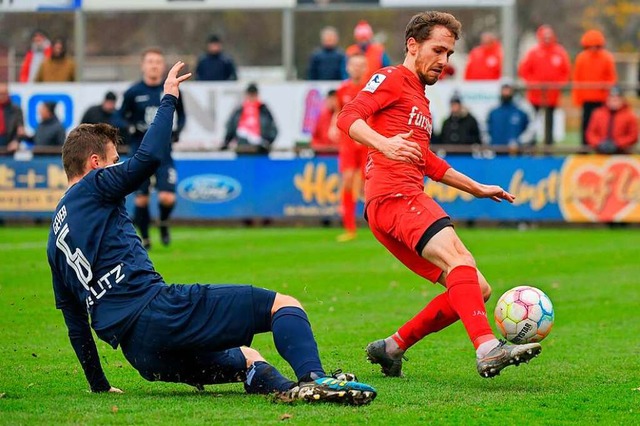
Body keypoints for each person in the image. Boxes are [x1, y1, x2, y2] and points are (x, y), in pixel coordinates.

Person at [46, 61, 376, 405]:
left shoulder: (55, 239)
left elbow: (76, 322)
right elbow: (149, 158)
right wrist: (169, 99)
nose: (118, 167)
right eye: (114, 160)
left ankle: (288, 390)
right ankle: (314, 379)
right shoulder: (96, 184)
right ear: (95, 163)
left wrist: (99, 384)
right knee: (283, 305)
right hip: (161, 314)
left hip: (142, 356)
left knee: (248, 357)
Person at [337, 11, 542, 379]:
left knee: (477, 288)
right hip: (394, 195)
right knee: (460, 258)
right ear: (412, 45)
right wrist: (385, 144)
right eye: (438, 50)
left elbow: (426, 158)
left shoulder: (419, 96)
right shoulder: (390, 78)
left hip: (390, 206)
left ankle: (392, 346)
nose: (444, 62)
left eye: (449, 53)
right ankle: (487, 347)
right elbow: (348, 117)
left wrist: (475, 187)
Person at [120, 48, 186, 249]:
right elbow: (119, 116)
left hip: (164, 153)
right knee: (141, 198)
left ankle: (164, 223)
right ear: (143, 65)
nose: (154, 65)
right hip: (139, 151)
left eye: (158, 61)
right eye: (150, 61)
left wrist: (177, 131)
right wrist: (129, 126)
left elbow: (182, 116)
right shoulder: (133, 92)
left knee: (167, 197)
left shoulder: (170, 90)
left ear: (163, 66)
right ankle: (146, 238)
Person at [518, 25, 571, 145]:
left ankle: (548, 146)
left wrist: (558, 85)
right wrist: (533, 84)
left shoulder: (560, 52)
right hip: (535, 95)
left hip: (552, 95)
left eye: (549, 36)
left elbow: (566, 72)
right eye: (545, 36)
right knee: (533, 121)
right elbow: (524, 71)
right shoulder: (534, 52)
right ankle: (531, 145)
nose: (547, 39)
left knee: (549, 122)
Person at [335, 53, 369, 242]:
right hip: (348, 142)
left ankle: (378, 224)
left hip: (366, 142)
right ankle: (349, 228)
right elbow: (339, 113)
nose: (357, 68)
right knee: (347, 179)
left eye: (360, 65)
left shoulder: (370, 89)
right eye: (353, 65)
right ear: (348, 67)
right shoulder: (342, 90)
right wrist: (334, 125)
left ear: (365, 68)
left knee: (368, 183)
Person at [571, 29, 617, 146]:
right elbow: (577, 79)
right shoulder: (581, 58)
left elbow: (611, 77)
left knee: (603, 124)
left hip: (602, 99)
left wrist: (608, 94)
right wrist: (577, 98)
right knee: (586, 124)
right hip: (587, 99)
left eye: (596, 46)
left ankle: (602, 146)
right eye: (590, 46)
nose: (593, 49)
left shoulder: (606, 58)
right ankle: (584, 147)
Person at [222, 83, 277, 154]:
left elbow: (273, 129)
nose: (252, 97)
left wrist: (267, 142)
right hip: (242, 149)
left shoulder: (264, 110)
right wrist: (227, 141)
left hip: (260, 151)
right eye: (250, 95)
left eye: (253, 95)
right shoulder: (239, 110)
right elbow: (231, 127)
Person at [586, 87, 638, 154]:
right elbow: (590, 133)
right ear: (607, 99)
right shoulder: (597, 114)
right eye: (611, 98)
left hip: (622, 153)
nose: (614, 101)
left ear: (622, 100)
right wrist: (599, 143)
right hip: (600, 153)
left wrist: (617, 144)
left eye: (617, 99)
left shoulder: (629, 115)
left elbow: (633, 136)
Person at [487, 83, 531, 149]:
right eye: (504, 91)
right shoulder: (493, 112)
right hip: (496, 151)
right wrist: (490, 142)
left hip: (514, 152)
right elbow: (486, 129)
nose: (506, 94)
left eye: (508, 91)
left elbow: (529, 128)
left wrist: (520, 142)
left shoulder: (520, 112)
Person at [0, 82, 27, 153]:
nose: (1, 96)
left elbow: (20, 130)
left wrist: (16, 141)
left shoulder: (16, 110)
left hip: (8, 143)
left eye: (4, 94)